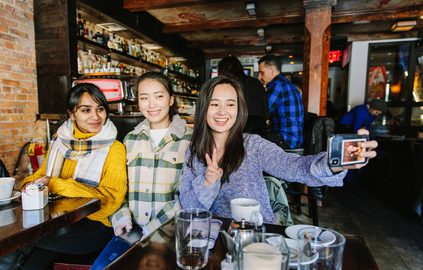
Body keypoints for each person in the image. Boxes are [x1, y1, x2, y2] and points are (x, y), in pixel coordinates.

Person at [179, 76, 378, 224]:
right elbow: (189, 207)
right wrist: (208, 183)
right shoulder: (194, 151)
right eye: (214, 104)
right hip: (212, 239)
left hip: (255, 239)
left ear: (239, 110)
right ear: (204, 108)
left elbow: (294, 166)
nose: (222, 112)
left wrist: (333, 163)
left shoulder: (252, 145)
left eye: (230, 104)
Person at [16, 83, 127, 269]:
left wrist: (56, 185)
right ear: (72, 114)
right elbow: (40, 176)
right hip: (57, 221)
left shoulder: (114, 149)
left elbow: (112, 199)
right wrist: (29, 184)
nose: (95, 116)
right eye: (86, 110)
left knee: (24, 241)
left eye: (100, 109)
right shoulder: (59, 141)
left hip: (95, 225)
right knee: (30, 257)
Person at [92, 72, 192, 269]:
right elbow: (120, 189)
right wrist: (120, 218)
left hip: (171, 231)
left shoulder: (190, 139)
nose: (151, 104)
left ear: (171, 99)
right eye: (144, 98)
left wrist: (151, 229)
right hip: (132, 230)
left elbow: (189, 196)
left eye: (159, 96)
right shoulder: (130, 139)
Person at [258, 54, 304, 149]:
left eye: (262, 73)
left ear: (272, 71)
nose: (259, 77)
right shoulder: (288, 84)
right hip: (295, 138)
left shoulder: (277, 85)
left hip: (285, 139)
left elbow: (263, 111)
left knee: (250, 141)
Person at [218, 55, 269, 137]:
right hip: (260, 130)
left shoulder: (229, 85)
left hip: (239, 130)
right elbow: (266, 109)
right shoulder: (256, 82)